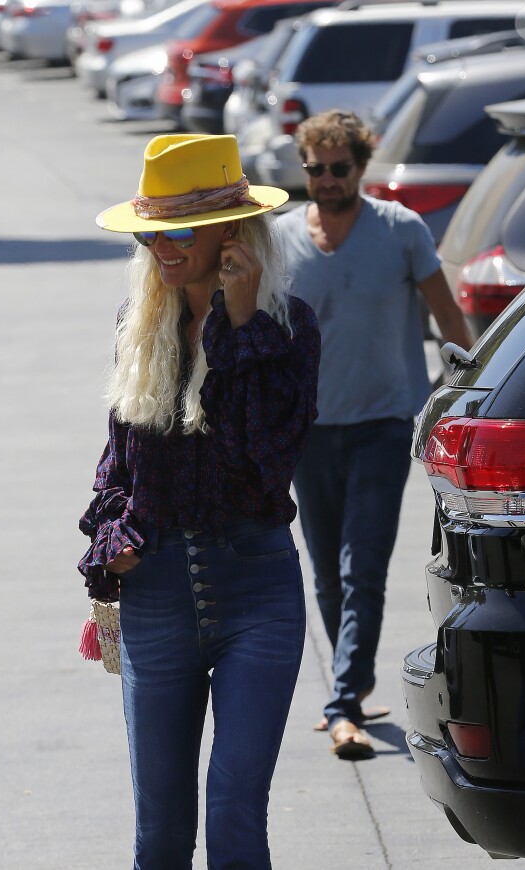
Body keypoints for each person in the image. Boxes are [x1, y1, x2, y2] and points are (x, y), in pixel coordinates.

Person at [77, 133, 320, 869]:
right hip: (153, 597)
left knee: (235, 817)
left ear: (234, 232)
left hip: (256, 589)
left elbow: (264, 465)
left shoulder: (288, 328)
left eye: (179, 229)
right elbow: (116, 470)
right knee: (159, 838)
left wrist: (239, 326)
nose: (162, 247)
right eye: (152, 232)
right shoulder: (139, 325)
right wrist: (113, 536)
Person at [276, 110, 473, 761]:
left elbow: (447, 316)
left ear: (361, 168)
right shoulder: (280, 239)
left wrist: (469, 395)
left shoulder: (400, 231)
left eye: (339, 168)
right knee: (329, 577)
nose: (327, 181)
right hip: (308, 430)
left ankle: (339, 707)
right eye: (315, 169)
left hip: (385, 425)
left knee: (363, 569)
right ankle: (350, 689)